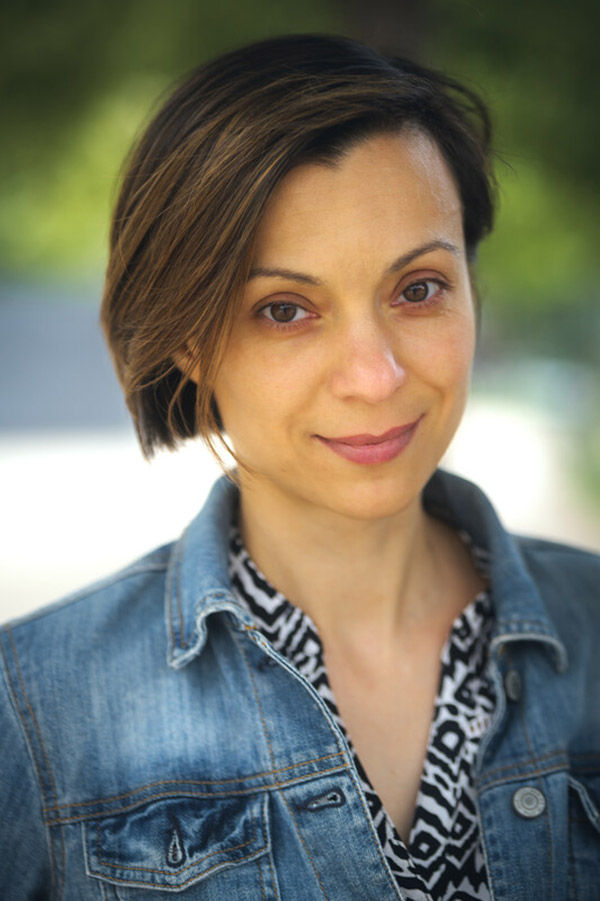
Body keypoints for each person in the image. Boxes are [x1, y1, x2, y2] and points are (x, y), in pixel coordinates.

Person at [0, 34, 598, 901]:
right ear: (188, 339)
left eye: (418, 288)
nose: (375, 377)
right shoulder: (32, 711)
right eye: (285, 309)